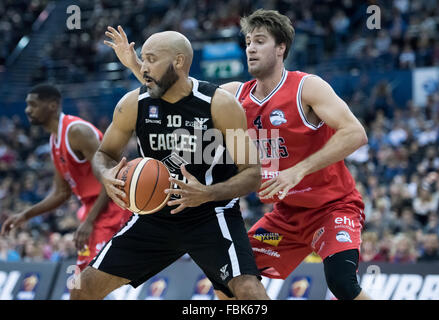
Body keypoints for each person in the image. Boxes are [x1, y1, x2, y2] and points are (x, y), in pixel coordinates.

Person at [106, 9, 371, 300]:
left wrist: (299, 170)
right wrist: (138, 66)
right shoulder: (233, 97)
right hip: (284, 221)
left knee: (342, 284)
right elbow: (183, 96)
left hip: (332, 211)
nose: (251, 48)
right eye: (247, 42)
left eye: (260, 41)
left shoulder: (306, 87)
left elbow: (355, 133)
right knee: (232, 284)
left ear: (281, 48)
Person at [69, 30, 269, 300]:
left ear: (178, 61)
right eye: (142, 60)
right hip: (154, 216)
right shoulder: (132, 104)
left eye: (151, 60)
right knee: (83, 288)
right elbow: (104, 154)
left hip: (212, 214)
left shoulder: (219, 104)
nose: (143, 67)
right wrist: (106, 176)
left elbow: (253, 175)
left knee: (249, 293)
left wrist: (207, 194)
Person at [0, 84, 132, 271]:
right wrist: (25, 215)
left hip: (112, 209)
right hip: (93, 213)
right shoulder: (54, 140)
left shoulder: (77, 132)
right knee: (81, 287)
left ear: (53, 105)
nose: (27, 110)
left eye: (33, 104)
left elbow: (110, 179)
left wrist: (89, 222)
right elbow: (61, 193)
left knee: (92, 282)